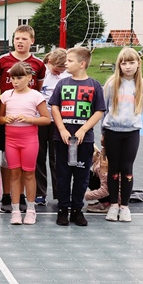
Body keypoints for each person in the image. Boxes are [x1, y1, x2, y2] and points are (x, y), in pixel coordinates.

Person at [48, 46, 106, 227]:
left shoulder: (94, 85)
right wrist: (62, 129)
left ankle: (77, 210)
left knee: (81, 176)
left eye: (70, 60)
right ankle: (63, 209)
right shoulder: (62, 84)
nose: (66, 63)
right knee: (63, 175)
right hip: (62, 139)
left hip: (84, 140)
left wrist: (83, 130)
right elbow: (55, 107)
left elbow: (99, 111)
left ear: (82, 64)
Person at [0, 25, 45, 213]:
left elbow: (38, 88)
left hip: (28, 122)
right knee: (7, 159)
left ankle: (21, 195)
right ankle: (7, 194)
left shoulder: (38, 64)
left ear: (32, 41)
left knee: (26, 162)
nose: (20, 42)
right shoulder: (1, 61)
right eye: (17, 38)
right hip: (7, 118)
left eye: (24, 38)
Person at [0, 63, 51, 225]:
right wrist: (6, 119)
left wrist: (29, 119)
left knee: (29, 174)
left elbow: (46, 119)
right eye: (13, 78)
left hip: (29, 140)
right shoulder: (6, 95)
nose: (15, 81)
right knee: (14, 174)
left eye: (19, 78)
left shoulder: (36, 96)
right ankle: (15, 210)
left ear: (29, 78)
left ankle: (31, 209)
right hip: (11, 140)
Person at [101, 47, 143, 222]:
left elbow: (141, 109)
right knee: (113, 168)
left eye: (131, 62)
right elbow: (105, 109)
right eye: (124, 63)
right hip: (112, 132)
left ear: (138, 64)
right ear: (119, 65)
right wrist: (103, 133)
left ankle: (125, 207)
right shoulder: (111, 84)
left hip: (131, 133)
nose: (128, 66)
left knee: (127, 168)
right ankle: (114, 205)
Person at [35, 48, 67, 207]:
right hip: (40, 119)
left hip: (58, 121)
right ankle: (39, 193)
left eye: (63, 68)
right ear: (50, 62)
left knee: (57, 158)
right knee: (39, 157)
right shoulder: (42, 73)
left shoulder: (66, 76)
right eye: (57, 67)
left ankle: (59, 192)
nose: (59, 71)